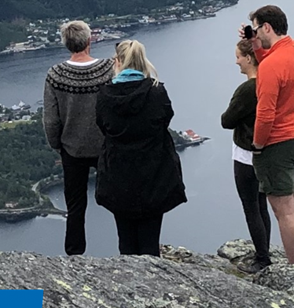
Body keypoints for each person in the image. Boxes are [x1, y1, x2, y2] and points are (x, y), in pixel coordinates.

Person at [95, 40, 187, 257]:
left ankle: (129, 288)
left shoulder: (105, 95)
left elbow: (102, 127)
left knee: (125, 241)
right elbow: (165, 120)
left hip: (117, 176)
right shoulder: (157, 93)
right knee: (150, 242)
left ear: (117, 62)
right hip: (154, 176)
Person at [43, 20, 115, 256]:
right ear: (89, 40)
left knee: (75, 206)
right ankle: (129, 250)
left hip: (72, 148)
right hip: (106, 145)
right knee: (120, 197)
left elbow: (51, 120)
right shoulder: (108, 69)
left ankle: (74, 255)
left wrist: (57, 145)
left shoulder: (55, 75)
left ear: (66, 44)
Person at [247, 5, 294, 265]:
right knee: (293, 204)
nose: (256, 33)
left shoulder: (271, 66)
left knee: (283, 211)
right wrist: (255, 46)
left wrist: (258, 145)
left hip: (278, 144)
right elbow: (283, 72)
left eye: (256, 28)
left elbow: (265, 114)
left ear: (267, 27)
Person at [221, 38, 272, 273]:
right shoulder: (269, 82)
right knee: (262, 205)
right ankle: (264, 251)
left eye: (239, 57)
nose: (236, 62)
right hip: (266, 153)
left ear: (249, 58)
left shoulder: (247, 89)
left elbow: (226, 120)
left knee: (250, 206)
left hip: (245, 155)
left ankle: (262, 259)